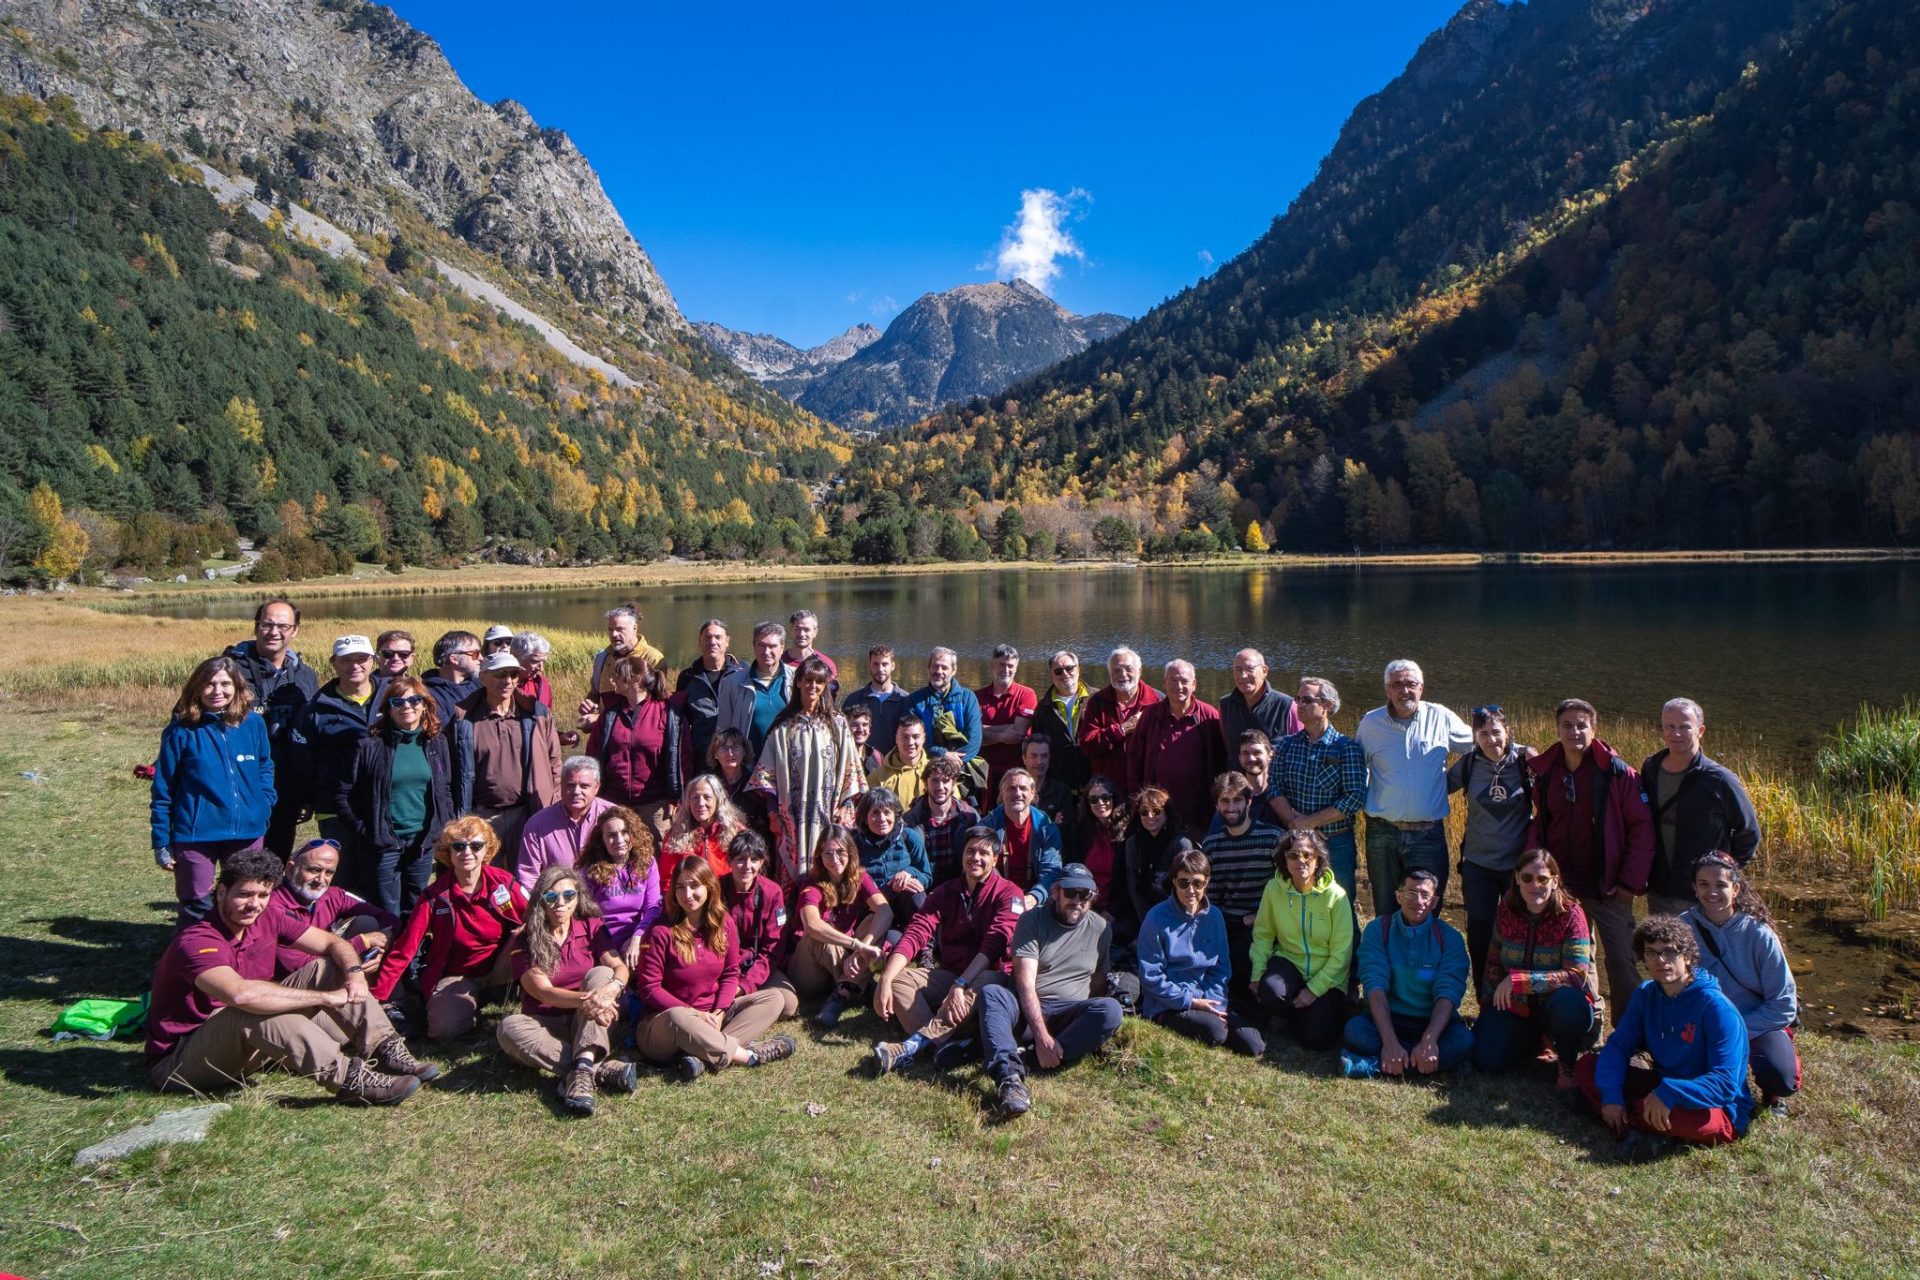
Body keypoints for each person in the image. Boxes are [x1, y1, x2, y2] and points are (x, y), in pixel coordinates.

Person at [146, 849, 436, 1103]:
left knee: (329, 967)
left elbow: (333, 943)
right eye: (244, 894)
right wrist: (325, 998)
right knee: (252, 1010)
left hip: (248, 1046)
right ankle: (352, 1080)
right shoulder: (197, 941)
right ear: (222, 892)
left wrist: (355, 974)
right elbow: (240, 995)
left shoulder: (267, 916)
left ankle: (389, 1050)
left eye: (263, 895)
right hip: (183, 1061)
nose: (254, 904)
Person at [1577, 915, 1754, 1155]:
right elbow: (1619, 1046)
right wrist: (1611, 1095)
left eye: (1670, 952)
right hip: (1662, 1083)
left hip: (1713, 1104)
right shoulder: (1646, 994)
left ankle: (1631, 1120)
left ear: (1688, 956)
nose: (1661, 961)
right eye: (1651, 953)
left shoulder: (1717, 1008)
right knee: (1588, 1066)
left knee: (1687, 1119)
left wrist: (1671, 1092)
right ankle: (1636, 1117)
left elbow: (1725, 1084)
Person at [1527, 698, 1654, 1026]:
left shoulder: (1617, 772)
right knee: (1577, 958)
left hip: (1608, 885)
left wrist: (1630, 883)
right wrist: (1538, 876)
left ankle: (1629, 1034)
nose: (1574, 731)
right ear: (1557, 729)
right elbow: (1541, 823)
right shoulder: (1546, 771)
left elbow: (1641, 829)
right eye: (1567, 725)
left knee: (1622, 959)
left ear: (1594, 729)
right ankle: (1589, 1027)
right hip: (1563, 887)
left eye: (1581, 725)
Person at [870, 825, 1023, 1075]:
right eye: (970, 851)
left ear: (995, 859)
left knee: (985, 981)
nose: (976, 858)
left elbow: (995, 944)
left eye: (984, 853)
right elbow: (917, 931)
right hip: (951, 974)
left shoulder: (1010, 894)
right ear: (962, 854)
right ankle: (948, 1043)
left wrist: (961, 984)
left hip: (992, 977)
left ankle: (909, 1047)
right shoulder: (946, 891)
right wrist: (885, 978)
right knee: (899, 980)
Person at [632, 856, 799, 1081]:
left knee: (774, 999)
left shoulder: (724, 923)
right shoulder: (660, 931)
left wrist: (719, 1011)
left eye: (694, 886)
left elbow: (731, 973)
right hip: (665, 1024)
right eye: (680, 887)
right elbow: (649, 988)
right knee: (678, 1016)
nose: (687, 895)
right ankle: (748, 1056)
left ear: (709, 887)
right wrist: (694, 1014)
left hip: (712, 1018)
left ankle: (701, 1056)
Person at [979, 864, 1125, 1117]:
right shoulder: (1031, 920)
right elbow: (1025, 983)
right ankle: (1009, 1079)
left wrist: (1086, 1024)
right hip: (1027, 1007)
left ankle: (1030, 1060)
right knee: (992, 993)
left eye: (1085, 894)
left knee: (1111, 1010)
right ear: (1055, 891)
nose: (1077, 901)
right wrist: (1042, 1034)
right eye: (1071, 892)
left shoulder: (1101, 928)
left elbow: (1098, 979)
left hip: (1067, 1013)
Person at [497, 865, 637, 1115]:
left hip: (586, 1023)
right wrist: (591, 1001)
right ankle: (592, 1068)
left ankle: (581, 1070)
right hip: (544, 1025)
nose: (560, 903)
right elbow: (542, 992)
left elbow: (618, 966)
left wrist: (612, 988)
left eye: (568, 896)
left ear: (578, 897)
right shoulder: (526, 939)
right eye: (551, 896)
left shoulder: (592, 927)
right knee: (508, 1028)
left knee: (602, 973)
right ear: (541, 900)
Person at [371, 817, 528, 1039]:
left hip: (503, 964)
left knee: (532, 934)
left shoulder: (503, 882)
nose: (467, 852)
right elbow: (406, 948)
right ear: (449, 853)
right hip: (459, 974)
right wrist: (378, 996)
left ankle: (541, 1006)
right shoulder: (434, 897)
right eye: (459, 846)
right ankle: (474, 1001)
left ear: (487, 851)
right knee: (443, 1030)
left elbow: (536, 916)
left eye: (476, 846)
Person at [151, 655, 276, 926]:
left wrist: (264, 802)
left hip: (248, 830)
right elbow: (163, 789)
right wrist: (161, 840)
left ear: (237, 687)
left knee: (244, 898)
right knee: (196, 902)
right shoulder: (180, 731)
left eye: (224, 683)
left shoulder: (252, 724)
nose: (217, 691)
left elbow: (265, 765)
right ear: (196, 688)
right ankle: (193, 960)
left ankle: (240, 956)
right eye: (208, 684)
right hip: (197, 833)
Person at [1355, 660, 1473, 920]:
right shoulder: (1371, 724)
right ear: (1387, 690)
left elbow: (1480, 746)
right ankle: (1387, 959)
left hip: (1428, 837)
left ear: (1421, 687)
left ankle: (1423, 960)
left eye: (1411, 684)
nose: (1404, 691)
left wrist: (1521, 751)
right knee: (1386, 910)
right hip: (1381, 834)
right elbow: (1357, 767)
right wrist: (1366, 798)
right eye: (1397, 684)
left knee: (1426, 911)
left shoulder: (1440, 717)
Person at [1471, 849, 1599, 1090]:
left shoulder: (1572, 914)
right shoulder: (1506, 909)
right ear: (1517, 878)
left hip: (1558, 1004)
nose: (1535, 885)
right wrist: (1487, 1008)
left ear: (1555, 880)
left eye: (1543, 879)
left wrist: (1522, 981)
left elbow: (1577, 975)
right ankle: (1534, 1041)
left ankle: (1566, 1060)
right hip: (1517, 1005)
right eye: (1527, 878)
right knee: (1485, 1059)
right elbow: (1494, 962)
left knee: (1569, 1005)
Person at [1685, 852, 1800, 1115]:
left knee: (1782, 1078)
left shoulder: (1759, 934)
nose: (1712, 892)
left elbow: (1783, 1004)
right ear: (1694, 887)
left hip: (1756, 1022)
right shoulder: (1683, 927)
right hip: (1704, 1022)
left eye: (1720, 885)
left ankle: (1772, 1093)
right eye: (1703, 884)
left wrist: (1735, 1031)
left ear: (1735, 889)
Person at [345, 675, 466, 917]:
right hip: (384, 841)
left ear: (425, 705)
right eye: (397, 702)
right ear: (388, 709)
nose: (406, 706)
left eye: (414, 700)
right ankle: (388, 951)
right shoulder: (371, 745)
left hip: (422, 841)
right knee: (385, 907)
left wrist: (444, 824)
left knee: (417, 903)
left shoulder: (436, 743)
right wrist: (367, 830)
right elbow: (345, 794)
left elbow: (446, 789)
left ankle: (414, 952)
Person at [1343, 868, 1473, 1078]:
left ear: (1434, 902)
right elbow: (1374, 986)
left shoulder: (1450, 938)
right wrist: (1390, 1041)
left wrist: (1429, 1040)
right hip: (1389, 1018)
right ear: (1398, 896)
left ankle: (1373, 1065)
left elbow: (1448, 992)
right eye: (1411, 893)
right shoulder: (1378, 930)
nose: (1417, 901)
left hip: (1431, 1022)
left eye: (1425, 895)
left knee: (1463, 1041)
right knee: (1355, 1031)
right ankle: (1428, 1065)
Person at [1137, 849, 1264, 1056]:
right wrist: (1191, 1002)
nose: (1191, 890)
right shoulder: (1156, 918)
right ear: (1174, 882)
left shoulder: (1214, 917)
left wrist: (1216, 1004)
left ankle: (1211, 1020)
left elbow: (1220, 969)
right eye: (1183, 883)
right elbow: (1151, 976)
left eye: (1197, 883)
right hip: (1170, 1003)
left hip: (1206, 997)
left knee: (1254, 1045)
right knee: (1216, 1033)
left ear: (1207, 882)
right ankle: (1163, 1020)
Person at [1645, 698, 1762, 916]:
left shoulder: (1719, 779)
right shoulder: (1651, 768)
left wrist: (1721, 876)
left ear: (1700, 730)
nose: (1676, 733)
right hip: (1659, 889)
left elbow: (1749, 832)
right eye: (1669, 726)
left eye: (1684, 727)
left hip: (1701, 896)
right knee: (1662, 948)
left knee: (1701, 950)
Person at [752, 655, 863, 883]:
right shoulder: (783, 727)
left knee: (829, 863)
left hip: (828, 809)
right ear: (799, 682)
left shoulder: (838, 725)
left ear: (825, 686)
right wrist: (773, 812)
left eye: (819, 682)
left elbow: (851, 770)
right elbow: (766, 776)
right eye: (808, 680)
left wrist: (847, 805)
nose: (813, 687)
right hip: (792, 815)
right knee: (793, 874)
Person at [1446, 705, 1534, 984]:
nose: (1491, 739)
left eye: (1496, 732)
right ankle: (1484, 991)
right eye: (1483, 734)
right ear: (1475, 737)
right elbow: (1435, 788)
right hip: (1477, 866)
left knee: (1518, 930)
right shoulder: (1469, 764)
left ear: (1508, 731)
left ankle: (1517, 989)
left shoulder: (1524, 761)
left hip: (1517, 868)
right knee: (1480, 930)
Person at [223, 597, 318, 855]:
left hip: (286, 786)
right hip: (239, 785)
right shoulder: (228, 671)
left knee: (276, 859)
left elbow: (311, 735)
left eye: (283, 626)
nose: (274, 632)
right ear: (256, 626)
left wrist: (307, 791)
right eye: (267, 624)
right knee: (240, 864)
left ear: (295, 630)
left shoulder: (305, 676)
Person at [288, 634, 387, 872]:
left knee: (381, 878)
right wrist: (308, 800)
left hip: (383, 804)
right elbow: (303, 762)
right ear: (334, 662)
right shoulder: (316, 709)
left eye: (362, 659)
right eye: (346, 660)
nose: (355, 666)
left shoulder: (391, 698)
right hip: (334, 809)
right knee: (341, 877)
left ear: (373, 661)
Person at [1249, 828, 1352, 1051]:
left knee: (1315, 1040)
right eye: (1293, 855)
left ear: (1319, 859)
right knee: (1271, 991)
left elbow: (1342, 953)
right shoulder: (1273, 889)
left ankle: (1306, 1015)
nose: (1301, 860)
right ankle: (1288, 1011)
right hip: (1289, 962)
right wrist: (1257, 973)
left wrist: (1314, 989)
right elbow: (1264, 933)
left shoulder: (1337, 896)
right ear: (1284, 860)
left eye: (1308, 855)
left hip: (1327, 974)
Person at [1272, 677, 1367, 918]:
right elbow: (1273, 788)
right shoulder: (1286, 745)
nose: (1299, 705)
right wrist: (1298, 827)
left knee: (1340, 906)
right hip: (1295, 841)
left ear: (1326, 705)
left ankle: (1348, 956)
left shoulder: (1347, 747)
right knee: (1297, 906)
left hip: (1336, 843)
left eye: (1306, 700)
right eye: (1297, 699)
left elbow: (1355, 797)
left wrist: (1310, 823)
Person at [459, 650, 562, 867]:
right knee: (485, 880)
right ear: (483, 677)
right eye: (500, 674)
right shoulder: (464, 719)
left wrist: (553, 804)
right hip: (482, 815)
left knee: (527, 879)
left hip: (526, 813)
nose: (508, 681)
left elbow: (555, 763)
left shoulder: (536, 714)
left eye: (514, 675)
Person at [792, 825, 893, 1026]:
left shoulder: (859, 877)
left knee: (875, 922)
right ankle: (858, 987)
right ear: (819, 856)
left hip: (845, 958)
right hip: (810, 969)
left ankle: (841, 994)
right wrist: (859, 946)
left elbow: (885, 911)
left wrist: (861, 948)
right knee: (820, 935)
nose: (835, 860)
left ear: (850, 853)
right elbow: (811, 925)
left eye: (840, 852)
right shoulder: (811, 883)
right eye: (828, 853)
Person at [1199, 771, 1282, 1005]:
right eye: (1224, 801)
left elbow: (1286, 889)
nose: (1231, 807)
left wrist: (1259, 917)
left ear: (1249, 802)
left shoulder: (1273, 838)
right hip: (1225, 923)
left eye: (1237, 800)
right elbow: (1209, 897)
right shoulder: (1212, 844)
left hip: (1263, 923)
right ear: (1217, 805)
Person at [581, 654, 685, 837]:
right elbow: (592, 754)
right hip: (613, 801)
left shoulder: (668, 713)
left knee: (656, 857)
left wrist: (675, 798)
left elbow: (682, 757)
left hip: (655, 805)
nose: (613, 680)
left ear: (636, 679)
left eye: (619, 675)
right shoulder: (610, 715)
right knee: (615, 855)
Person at [269, 837, 397, 982]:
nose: (320, 880)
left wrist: (381, 947)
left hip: (326, 963)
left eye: (329, 873)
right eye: (314, 870)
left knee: (368, 923)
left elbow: (390, 919)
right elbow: (300, 965)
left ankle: (388, 997)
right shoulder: (273, 906)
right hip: (286, 983)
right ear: (291, 869)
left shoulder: (333, 895)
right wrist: (362, 942)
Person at [1127, 659, 1225, 834]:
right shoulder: (1150, 716)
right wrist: (1137, 797)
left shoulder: (1209, 715)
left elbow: (1221, 759)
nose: (1178, 686)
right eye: (1173, 680)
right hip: (1156, 811)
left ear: (1194, 684)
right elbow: (1135, 758)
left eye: (1184, 681)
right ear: (1164, 683)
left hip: (1198, 811)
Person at [721, 831, 799, 1018]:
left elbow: (773, 949)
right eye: (740, 859)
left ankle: (739, 1002)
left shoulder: (772, 892)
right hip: (723, 967)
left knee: (789, 1005)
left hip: (756, 965)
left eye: (754, 860)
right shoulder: (715, 889)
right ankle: (738, 1004)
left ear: (761, 862)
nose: (747, 866)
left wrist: (746, 984)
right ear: (730, 861)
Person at [577, 804, 663, 967]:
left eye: (625, 832)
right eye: (611, 835)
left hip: (637, 938)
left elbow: (653, 907)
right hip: (602, 943)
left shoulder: (647, 863)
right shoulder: (591, 870)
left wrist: (637, 937)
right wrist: (609, 949)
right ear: (602, 840)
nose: (619, 840)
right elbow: (584, 915)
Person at [515, 756, 615, 889]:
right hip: (558, 902)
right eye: (570, 785)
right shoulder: (536, 825)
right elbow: (528, 877)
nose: (576, 792)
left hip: (607, 899)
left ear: (596, 787)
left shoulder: (615, 817)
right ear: (560, 785)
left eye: (584, 786)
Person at [1078, 646, 1160, 795]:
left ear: (1139, 671)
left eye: (1129, 669)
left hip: (1149, 789)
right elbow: (1087, 746)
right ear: (1109, 673)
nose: (1123, 674)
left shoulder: (1157, 701)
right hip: (1109, 791)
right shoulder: (1097, 702)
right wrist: (1121, 729)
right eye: (1116, 670)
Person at [980, 768, 1064, 910]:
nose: (1017, 793)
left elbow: (1051, 870)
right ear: (1002, 792)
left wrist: (1034, 897)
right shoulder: (988, 826)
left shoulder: (1047, 829)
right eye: (1011, 788)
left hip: (1035, 901)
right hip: (995, 896)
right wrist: (1004, 895)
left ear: (1032, 793)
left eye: (1023, 788)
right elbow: (979, 865)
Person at [904, 648, 984, 795]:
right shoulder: (914, 700)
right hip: (925, 766)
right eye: (935, 666)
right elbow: (912, 739)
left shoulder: (967, 698)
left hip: (961, 766)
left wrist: (951, 765)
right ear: (928, 668)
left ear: (954, 670)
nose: (939, 671)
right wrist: (942, 754)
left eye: (944, 667)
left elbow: (974, 740)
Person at [853, 786, 933, 928]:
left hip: (905, 909)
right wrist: (889, 890)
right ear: (865, 818)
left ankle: (925, 944)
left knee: (913, 889)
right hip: (872, 912)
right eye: (875, 813)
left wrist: (909, 874)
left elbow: (926, 876)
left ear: (895, 815)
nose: (882, 819)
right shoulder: (855, 845)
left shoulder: (909, 836)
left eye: (886, 812)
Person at [1065, 775, 1130, 943]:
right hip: (1084, 906)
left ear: (1114, 798)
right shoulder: (1080, 833)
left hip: (1117, 911)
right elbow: (1073, 872)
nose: (1100, 803)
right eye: (1094, 799)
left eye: (1105, 797)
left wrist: (1112, 912)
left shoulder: (1128, 835)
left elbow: (1127, 881)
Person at [716, 621, 793, 760]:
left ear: (782, 647)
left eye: (772, 646)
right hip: (749, 764)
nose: (766, 651)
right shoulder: (733, 682)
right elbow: (723, 730)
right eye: (761, 645)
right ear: (754, 646)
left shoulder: (796, 679)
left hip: (788, 761)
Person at [1123, 786, 1194, 934]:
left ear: (1167, 813)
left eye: (1156, 811)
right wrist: (1148, 922)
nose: (1150, 816)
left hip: (1176, 916)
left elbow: (1184, 889)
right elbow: (1133, 888)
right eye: (1144, 812)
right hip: (1144, 916)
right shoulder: (1133, 844)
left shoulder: (1181, 844)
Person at [659, 773, 746, 886]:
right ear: (688, 802)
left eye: (707, 797)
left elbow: (747, 873)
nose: (701, 803)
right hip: (690, 899)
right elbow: (667, 881)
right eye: (695, 798)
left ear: (718, 800)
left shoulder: (736, 832)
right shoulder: (675, 835)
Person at [675, 619, 741, 766]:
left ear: (727, 641)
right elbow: (681, 723)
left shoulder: (742, 674)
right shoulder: (688, 678)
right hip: (702, 758)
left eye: (718, 637)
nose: (712, 642)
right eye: (707, 637)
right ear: (699, 641)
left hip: (737, 759)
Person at [976, 643, 1038, 800]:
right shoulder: (976, 697)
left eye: (1010, 665)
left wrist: (984, 730)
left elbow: (1018, 733)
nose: (1006, 670)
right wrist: (1002, 736)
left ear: (1016, 667)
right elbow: (973, 736)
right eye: (1001, 665)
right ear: (992, 665)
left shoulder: (1026, 694)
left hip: (1016, 771)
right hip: (983, 772)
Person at [905, 755, 978, 885]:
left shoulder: (969, 816)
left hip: (960, 882)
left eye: (945, 781)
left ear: (953, 783)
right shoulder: (910, 820)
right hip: (924, 882)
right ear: (925, 783)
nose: (940, 787)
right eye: (934, 781)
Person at [582, 603, 666, 712]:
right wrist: (589, 704)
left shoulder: (653, 658)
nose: (614, 634)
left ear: (635, 628)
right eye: (610, 629)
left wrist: (599, 719)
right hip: (604, 727)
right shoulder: (602, 658)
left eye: (619, 629)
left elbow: (656, 705)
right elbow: (595, 694)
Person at [1031, 648, 1092, 796]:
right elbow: (1038, 747)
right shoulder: (1043, 708)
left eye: (1069, 668)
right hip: (1060, 784)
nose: (1065, 674)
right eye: (1058, 671)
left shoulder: (1097, 699)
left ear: (1078, 669)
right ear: (1051, 676)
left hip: (1094, 780)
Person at [1220, 648, 1302, 751]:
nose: (1243, 675)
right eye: (1238, 669)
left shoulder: (1287, 706)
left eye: (1249, 669)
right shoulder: (1225, 705)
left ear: (1264, 671)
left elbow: (1300, 749)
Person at [842, 644, 910, 761]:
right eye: (876, 664)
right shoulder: (854, 699)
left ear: (892, 666)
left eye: (885, 664)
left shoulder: (906, 699)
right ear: (870, 666)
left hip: (896, 764)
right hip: (861, 763)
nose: (880, 669)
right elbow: (843, 734)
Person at [707, 727, 770, 834]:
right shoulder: (707, 784)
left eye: (735, 747)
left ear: (744, 751)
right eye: (723, 748)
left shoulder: (755, 784)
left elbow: (763, 823)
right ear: (715, 754)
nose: (730, 753)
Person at [868, 716, 931, 808]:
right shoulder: (877, 777)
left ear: (924, 738)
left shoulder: (935, 772)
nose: (910, 742)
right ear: (896, 739)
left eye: (916, 737)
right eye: (905, 737)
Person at [422, 629, 481, 727]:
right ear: (454, 659)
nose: (481, 658)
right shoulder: (427, 693)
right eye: (475, 654)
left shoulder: (480, 685)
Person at [1023, 735, 1075, 831]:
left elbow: (1064, 831)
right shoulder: (1015, 790)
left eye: (1044, 756)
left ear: (1049, 758)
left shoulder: (1061, 791)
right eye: (1034, 756)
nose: (1039, 761)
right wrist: (1051, 825)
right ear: (1024, 759)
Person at [782, 608, 837, 685]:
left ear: (815, 632)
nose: (801, 634)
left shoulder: (826, 664)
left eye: (806, 629)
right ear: (791, 629)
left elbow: (829, 695)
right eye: (797, 628)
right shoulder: (779, 662)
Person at [511, 632, 555, 709]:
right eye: (535, 661)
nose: (541, 668)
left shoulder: (542, 684)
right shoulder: (498, 683)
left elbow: (547, 716)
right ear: (516, 657)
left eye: (543, 662)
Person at [844, 704, 884, 776]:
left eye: (865, 725)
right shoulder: (839, 757)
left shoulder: (877, 756)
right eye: (854, 725)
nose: (860, 729)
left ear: (869, 728)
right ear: (845, 727)